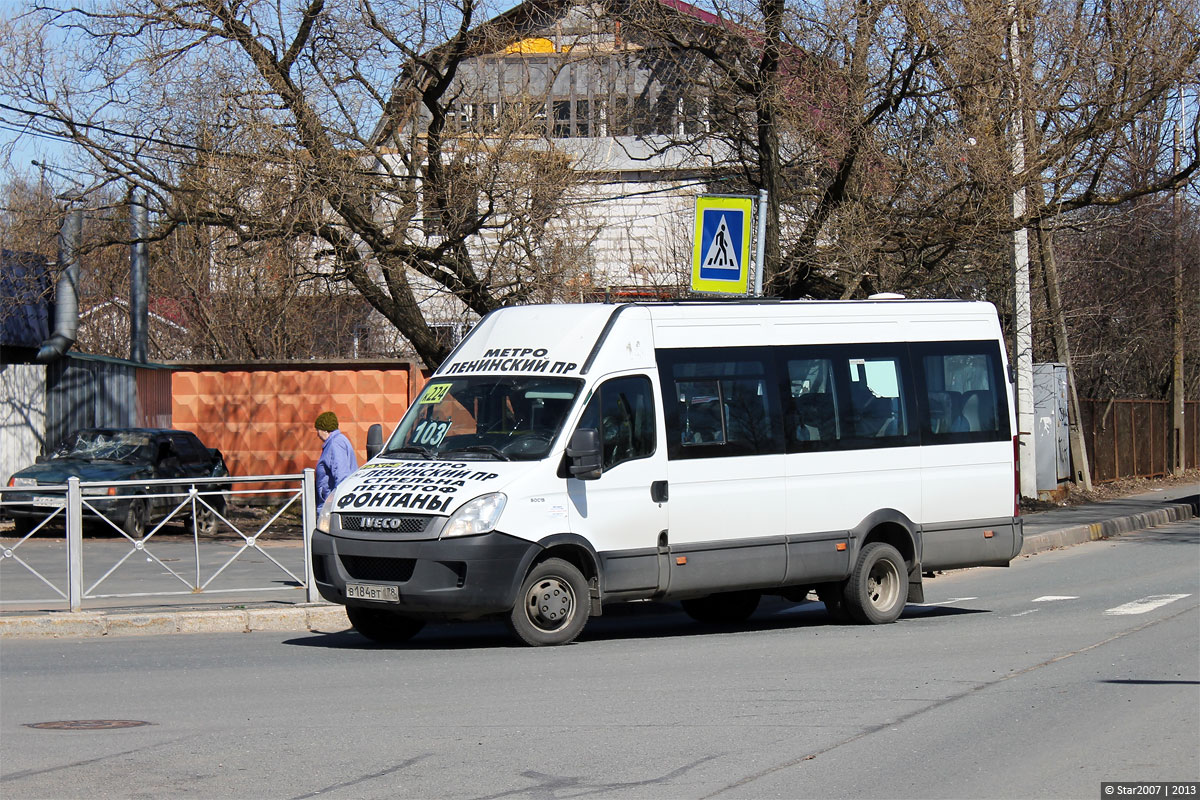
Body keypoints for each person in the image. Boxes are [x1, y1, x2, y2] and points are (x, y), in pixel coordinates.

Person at [314, 411, 358, 508]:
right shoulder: (338, 441)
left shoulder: (335, 444)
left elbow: (341, 474)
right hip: (332, 501)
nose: (317, 434)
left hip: (332, 504)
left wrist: (336, 502)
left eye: (318, 430)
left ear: (325, 430)